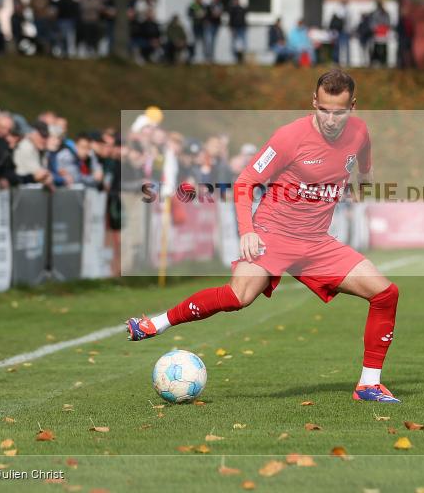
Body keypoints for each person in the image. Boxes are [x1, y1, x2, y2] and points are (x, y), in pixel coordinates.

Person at [125, 69, 402, 403]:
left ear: (353, 107)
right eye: (324, 110)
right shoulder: (289, 137)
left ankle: (368, 385)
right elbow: (245, 182)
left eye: (339, 112)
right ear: (314, 102)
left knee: (386, 293)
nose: (331, 119)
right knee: (238, 297)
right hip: (273, 233)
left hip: (316, 241)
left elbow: (364, 162)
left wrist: (365, 180)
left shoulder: (358, 132)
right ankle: (156, 323)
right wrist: (248, 231)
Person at [13, 119, 54, 187]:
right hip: (22, 191)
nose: (44, 140)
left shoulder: (38, 149)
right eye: (42, 136)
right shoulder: (26, 147)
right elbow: (38, 174)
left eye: (46, 136)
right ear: (32, 133)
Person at [228, 0, 248, 64]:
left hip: (242, 28)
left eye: (237, 0)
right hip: (235, 28)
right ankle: (236, 58)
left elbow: (245, 16)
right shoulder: (231, 9)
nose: (236, 1)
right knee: (234, 44)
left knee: (243, 43)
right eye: (234, 0)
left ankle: (242, 58)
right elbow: (230, 20)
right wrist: (231, 28)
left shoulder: (242, 8)